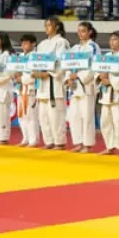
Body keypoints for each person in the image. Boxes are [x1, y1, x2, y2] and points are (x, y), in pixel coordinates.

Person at [33, 18, 70, 149]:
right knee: (43, 116)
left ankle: (59, 141)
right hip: (41, 84)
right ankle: (49, 141)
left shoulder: (61, 42)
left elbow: (61, 63)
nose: (47, 27)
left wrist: (48, 73)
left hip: (54, 83)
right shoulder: (42, 44)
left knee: (56, 115)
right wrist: (35, 71)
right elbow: (35, 60)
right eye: (46, 25)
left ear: (57, 27)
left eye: (50, 25)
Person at [66, 22, 101, 153]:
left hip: (86, 85)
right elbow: (67, 64)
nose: (80, 33)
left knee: (87, 116)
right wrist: (69, 77)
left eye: (83, 31)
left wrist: (78, 76)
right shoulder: (75, 48)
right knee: (74, 116)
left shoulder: (93, 47)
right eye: (79, 31)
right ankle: (78, 142)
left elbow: (94, 66)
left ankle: (88, 144)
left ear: (90, 32)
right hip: (74, 87)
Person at [95, 31, 119, 156]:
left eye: (115, 39)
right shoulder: (106, 56)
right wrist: (100, 77)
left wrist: (109, 80)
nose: (112, 42)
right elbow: (98, 72)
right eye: (111, 39)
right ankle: (110, 146)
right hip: (105, 93)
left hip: (117, 93)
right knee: (105, 122)